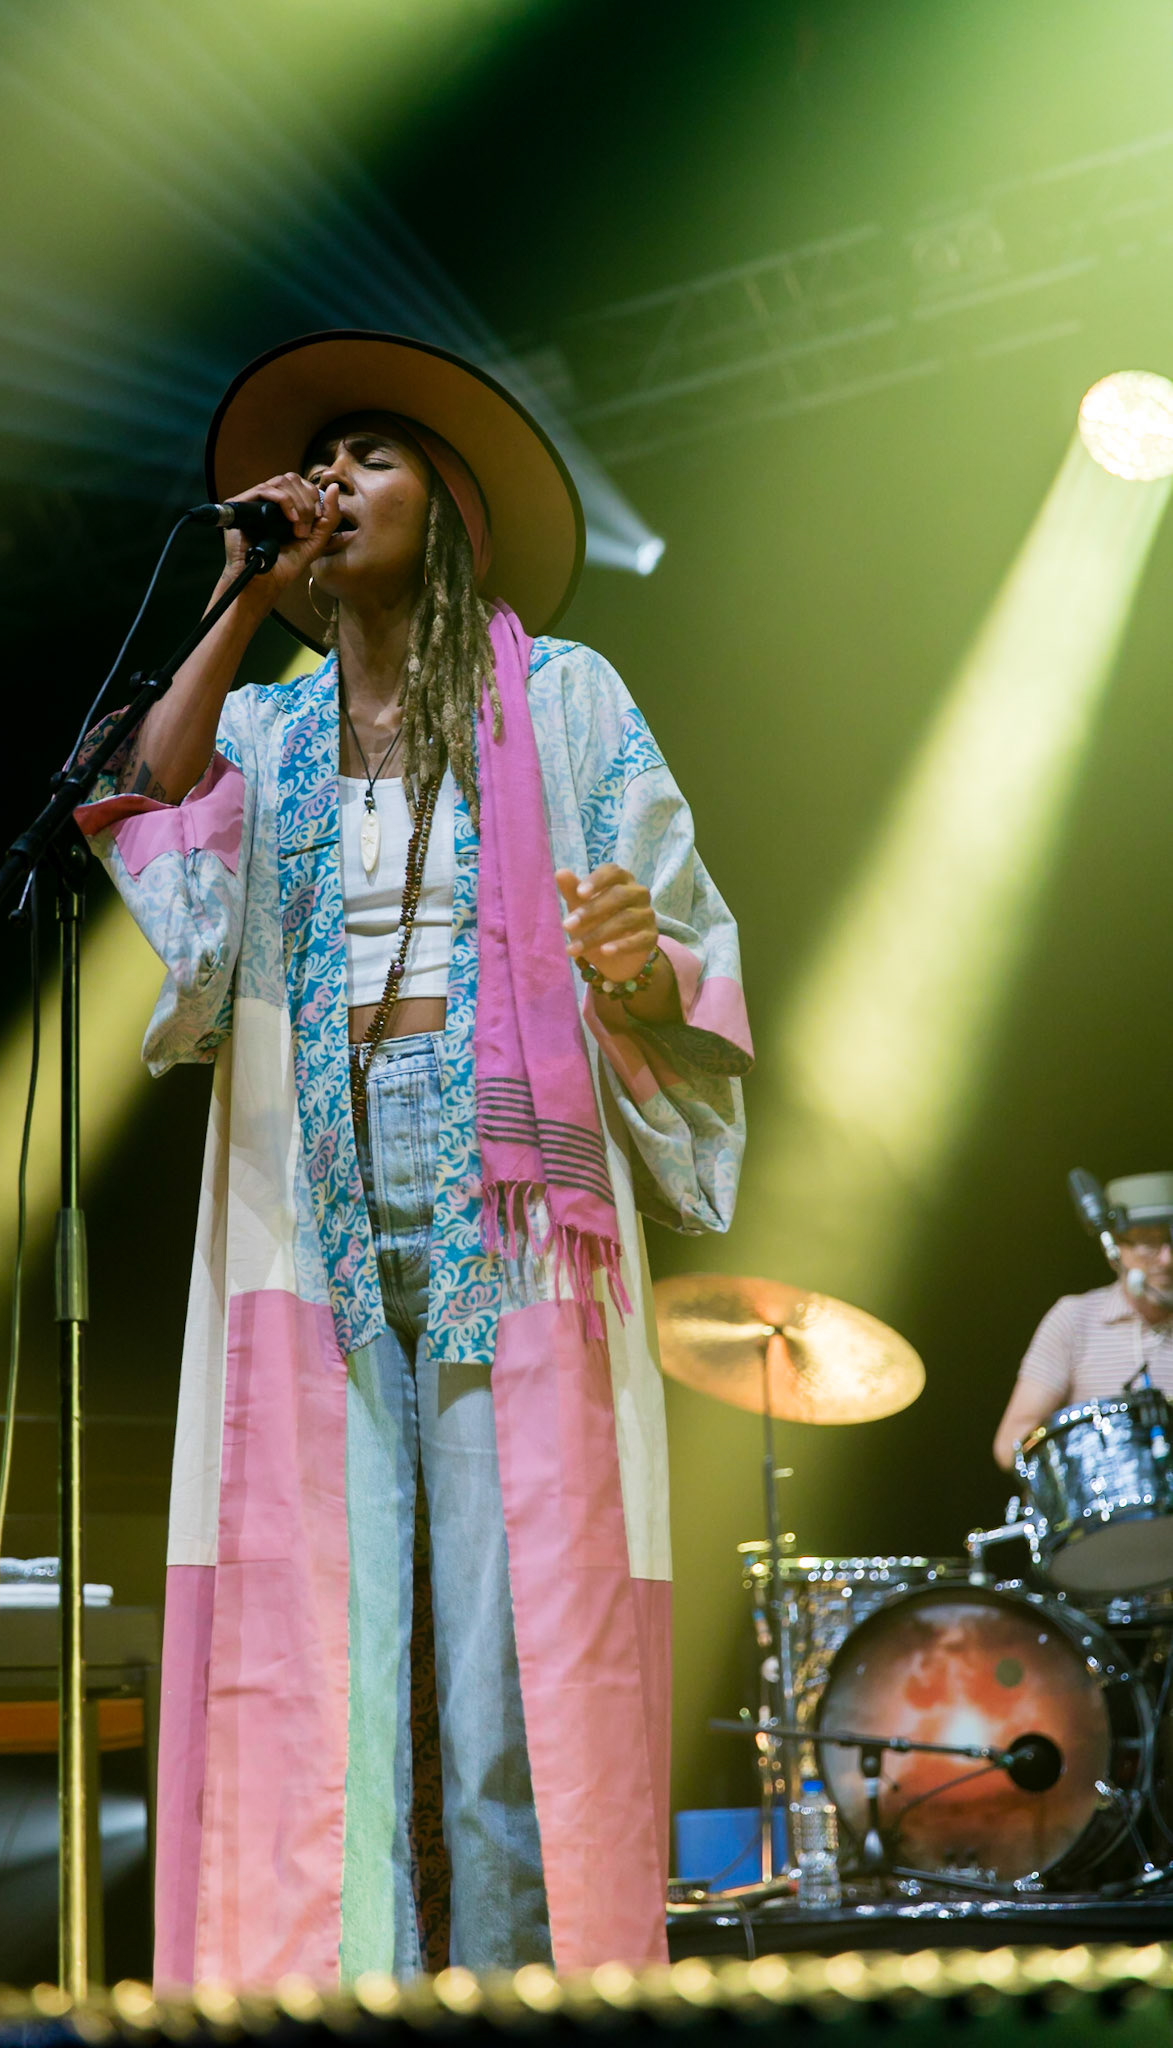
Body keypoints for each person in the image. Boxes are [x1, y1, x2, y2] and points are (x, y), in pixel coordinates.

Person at [75, 332, 752, 1987]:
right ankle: (338, 1994)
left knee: (509, 1655)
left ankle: (529, 1993)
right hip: (313, 1227)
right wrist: (241, 591)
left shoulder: (564, 695)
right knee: (329, 1666)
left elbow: (685, 954)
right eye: (316, 467)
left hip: (504, 1219)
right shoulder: (280, 734)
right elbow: (143, 810)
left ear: (444, 505)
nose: (329, 485)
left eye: (367, 459)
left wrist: (631, 966)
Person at [993, 1172, 1173, 1472]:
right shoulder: (1074, 1319)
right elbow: (1009, 1443)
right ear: (1114, 1248)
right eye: (1149, 1244)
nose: (1167, 1259)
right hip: (1100, 1511)